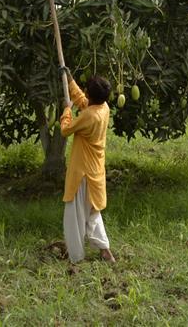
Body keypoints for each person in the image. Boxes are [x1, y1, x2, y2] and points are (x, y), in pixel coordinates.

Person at [58, 68, 116, 263]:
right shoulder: (103, 108)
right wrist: (70, 81)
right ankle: (104, 249)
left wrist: (67, 108)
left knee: (74, 215)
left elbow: (66, 130)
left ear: (91, 95)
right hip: (95, 172)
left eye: (86, 90)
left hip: (81, 173)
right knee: (92, 212)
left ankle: (76, 257)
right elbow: (84, 103)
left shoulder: (88, 116)